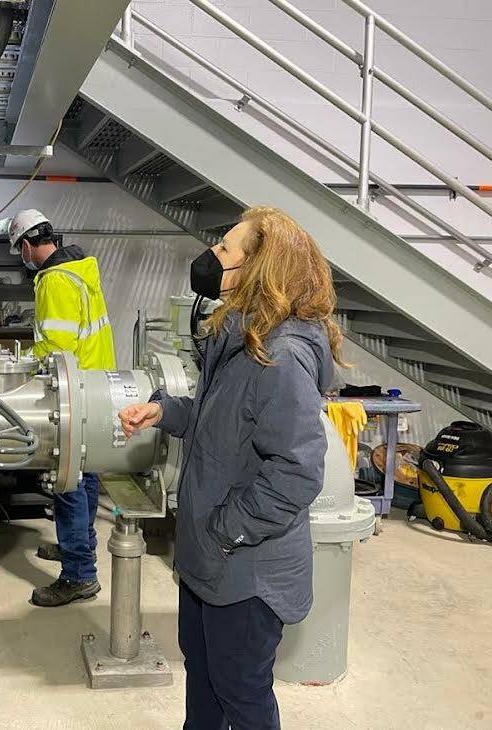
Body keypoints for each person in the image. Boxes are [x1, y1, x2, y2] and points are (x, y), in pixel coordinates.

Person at [118, 207, 345, 730]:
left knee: (240, 696)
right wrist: (167, 412)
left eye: (225, 250)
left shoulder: (281, 356)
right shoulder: (241, 339)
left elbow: (297, 472)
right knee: (203, 677)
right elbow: (224, 423)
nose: (211, 257)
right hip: (209, 559)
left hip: (245, 570)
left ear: (260, 269)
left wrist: (223, 530)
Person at [8, 209, 116, 607]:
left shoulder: (54, 280)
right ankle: (80, 548)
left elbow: (56, 348)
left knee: (67, 481)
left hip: (73, 392)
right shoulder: (81, 270)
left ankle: (79, 575)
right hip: (96, 387)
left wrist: (25, 365)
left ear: (26, 245)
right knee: (84, 477)